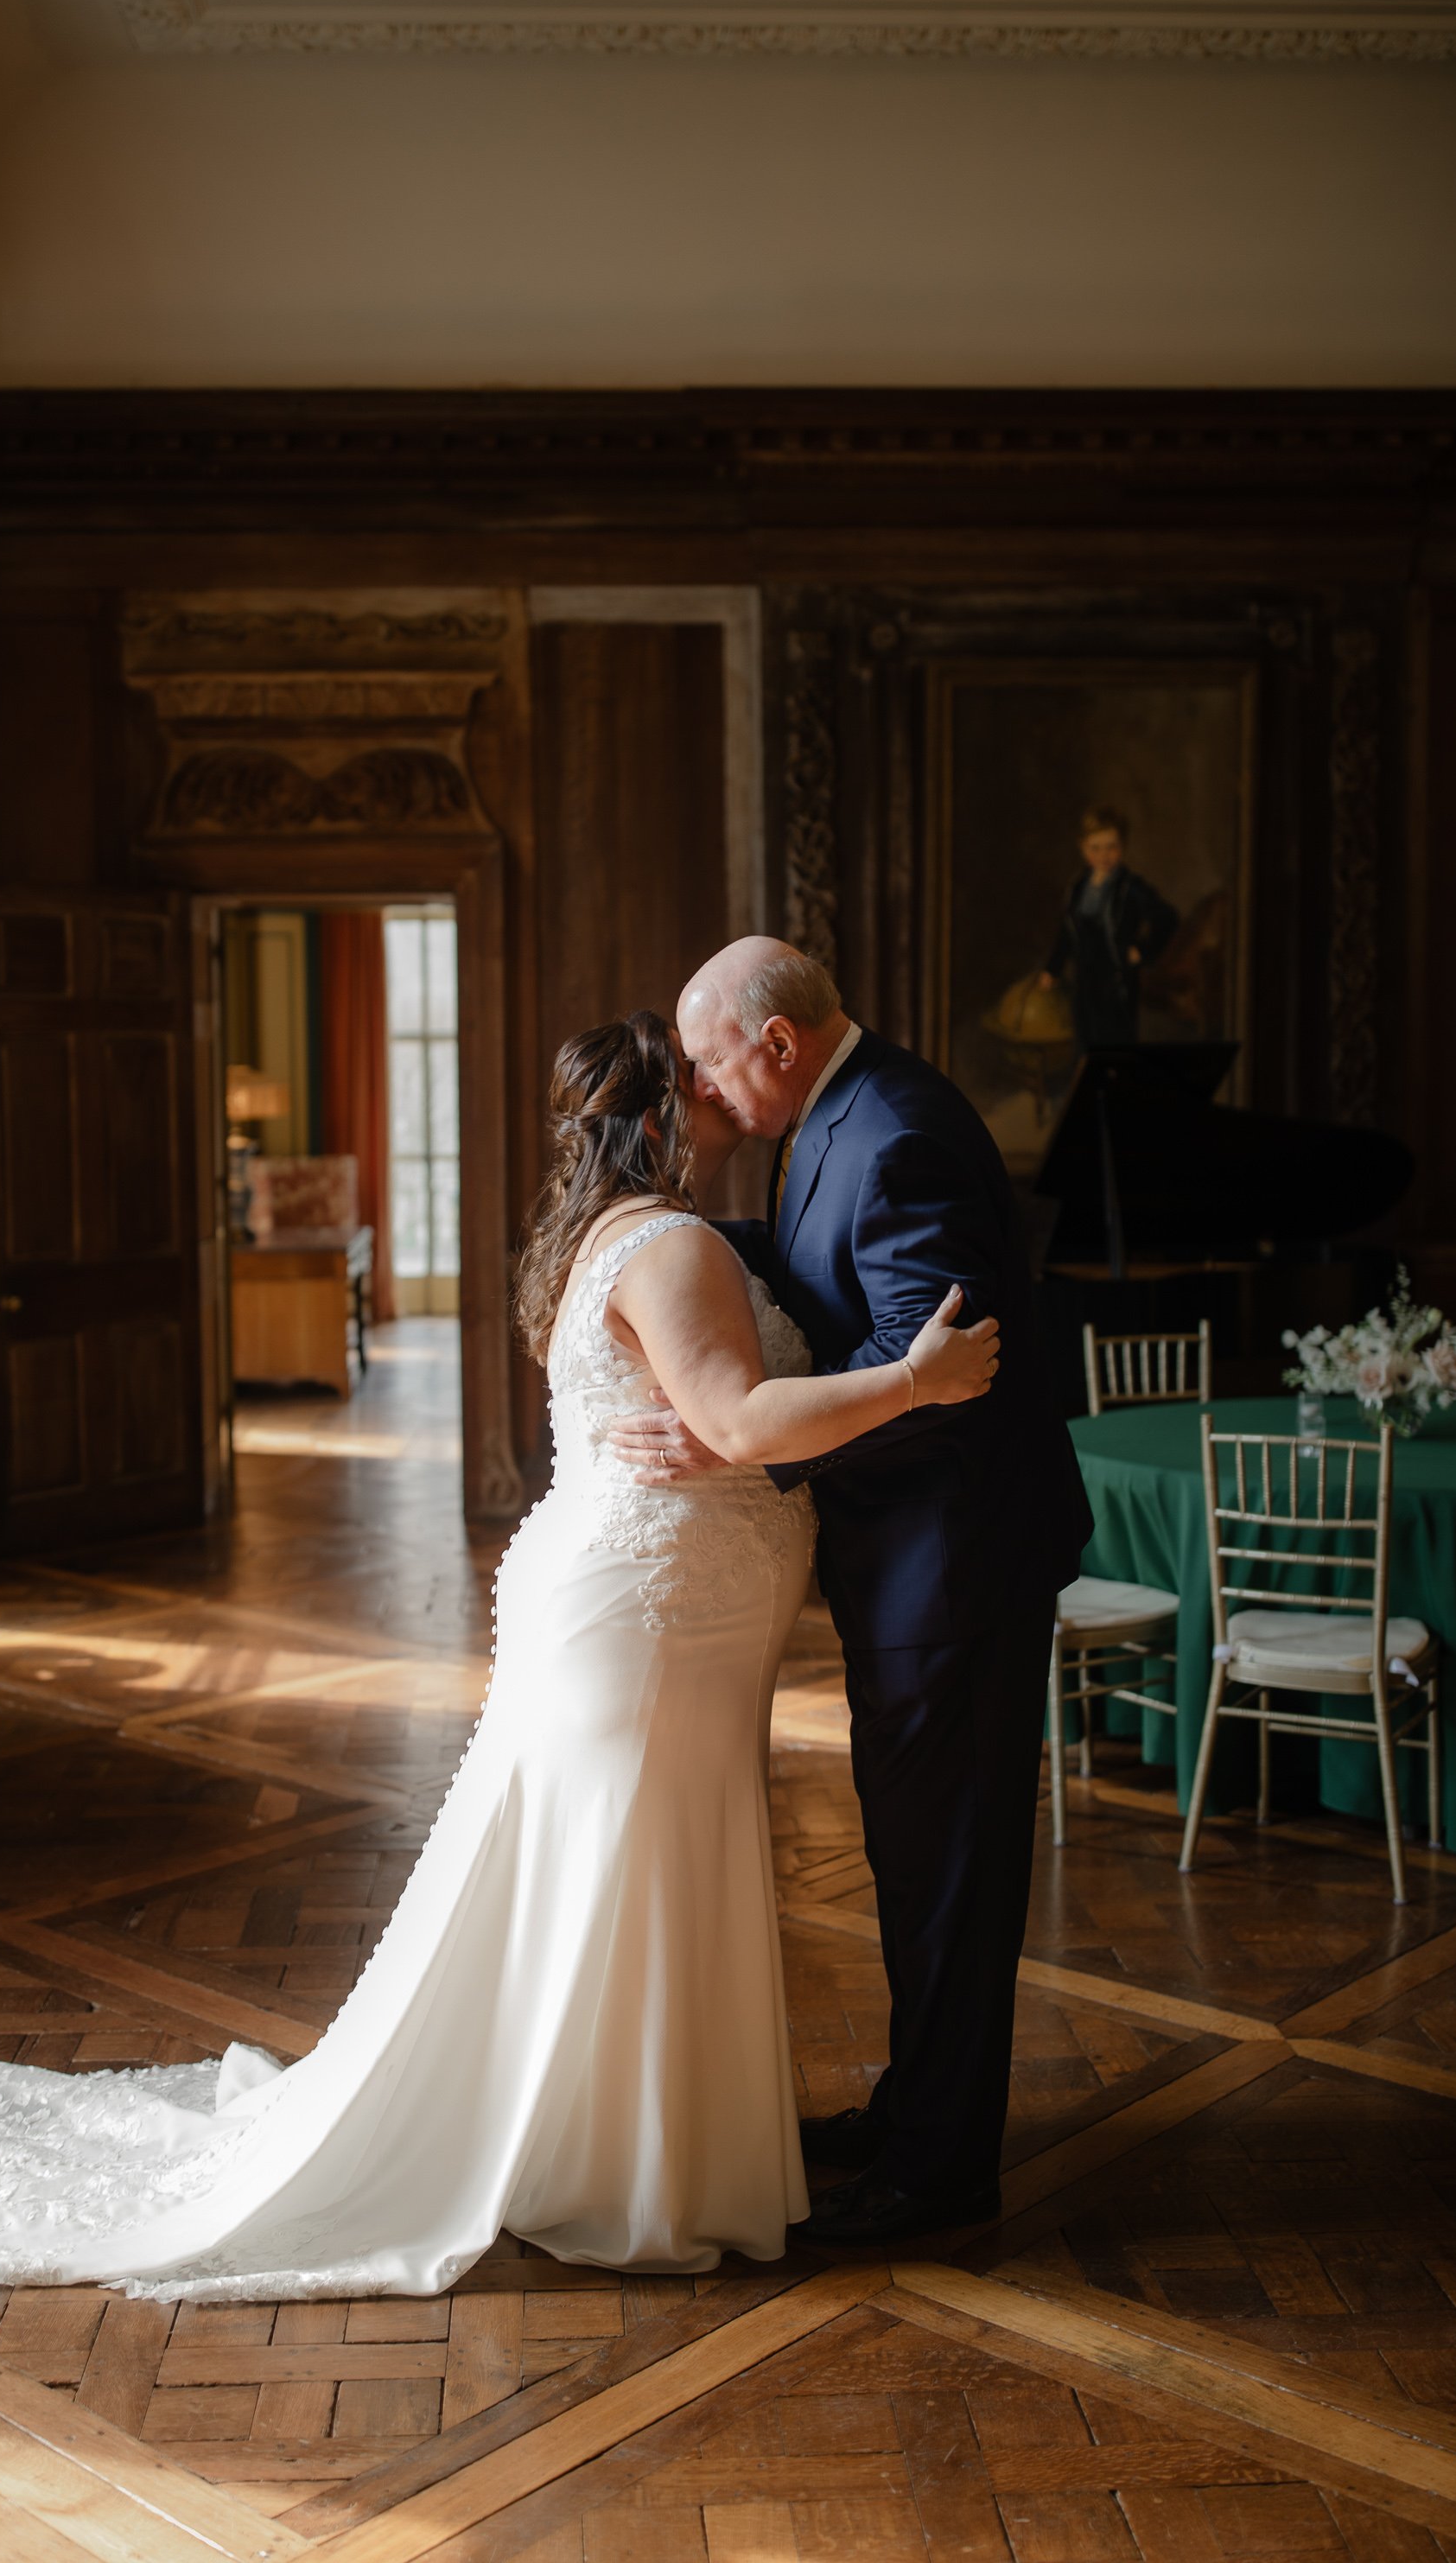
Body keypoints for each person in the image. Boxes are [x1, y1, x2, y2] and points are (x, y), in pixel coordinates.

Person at [0, 1011, 997, 2300]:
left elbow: (700, 1408)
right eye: (690, 1085)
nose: (711, 1101)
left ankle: (609, 2151)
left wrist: (724, 1423)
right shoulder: (672, 1243)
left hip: (644, 1608)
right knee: (629, 1870)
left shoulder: (596, 1240)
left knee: (613, 1876)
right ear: (653, 1120)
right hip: (652, 1619)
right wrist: (919, 1379)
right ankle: (622, 2176)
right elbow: (741, 1419)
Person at [613, 940, 1092, 2244]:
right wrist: (664, 1235)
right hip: (917, 1570)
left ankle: (937, 2181)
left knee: (952, 1874)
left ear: (774, 1045)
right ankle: (916, 2114)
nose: (706, 1095)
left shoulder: (898, 1137)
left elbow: (934, 1375)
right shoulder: (842, 1113)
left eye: (712, 1063)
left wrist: (737, 1438)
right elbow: (824, 1265)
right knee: (916, 1858)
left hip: (957, 1569)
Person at [1039, 805, 1178, 1050]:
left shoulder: (1130, 888)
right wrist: (1053, 968)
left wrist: (1142, 950)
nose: (1104, 855)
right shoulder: (1079, 887)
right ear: (1083, 848)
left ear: (1122, 846)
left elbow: (1167, 918)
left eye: (1112, 847)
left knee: (1115, 1045)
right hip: (1085, 980)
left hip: (1116, 981)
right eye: (1096, 848)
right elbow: (1068, 932)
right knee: (1085, 1041)